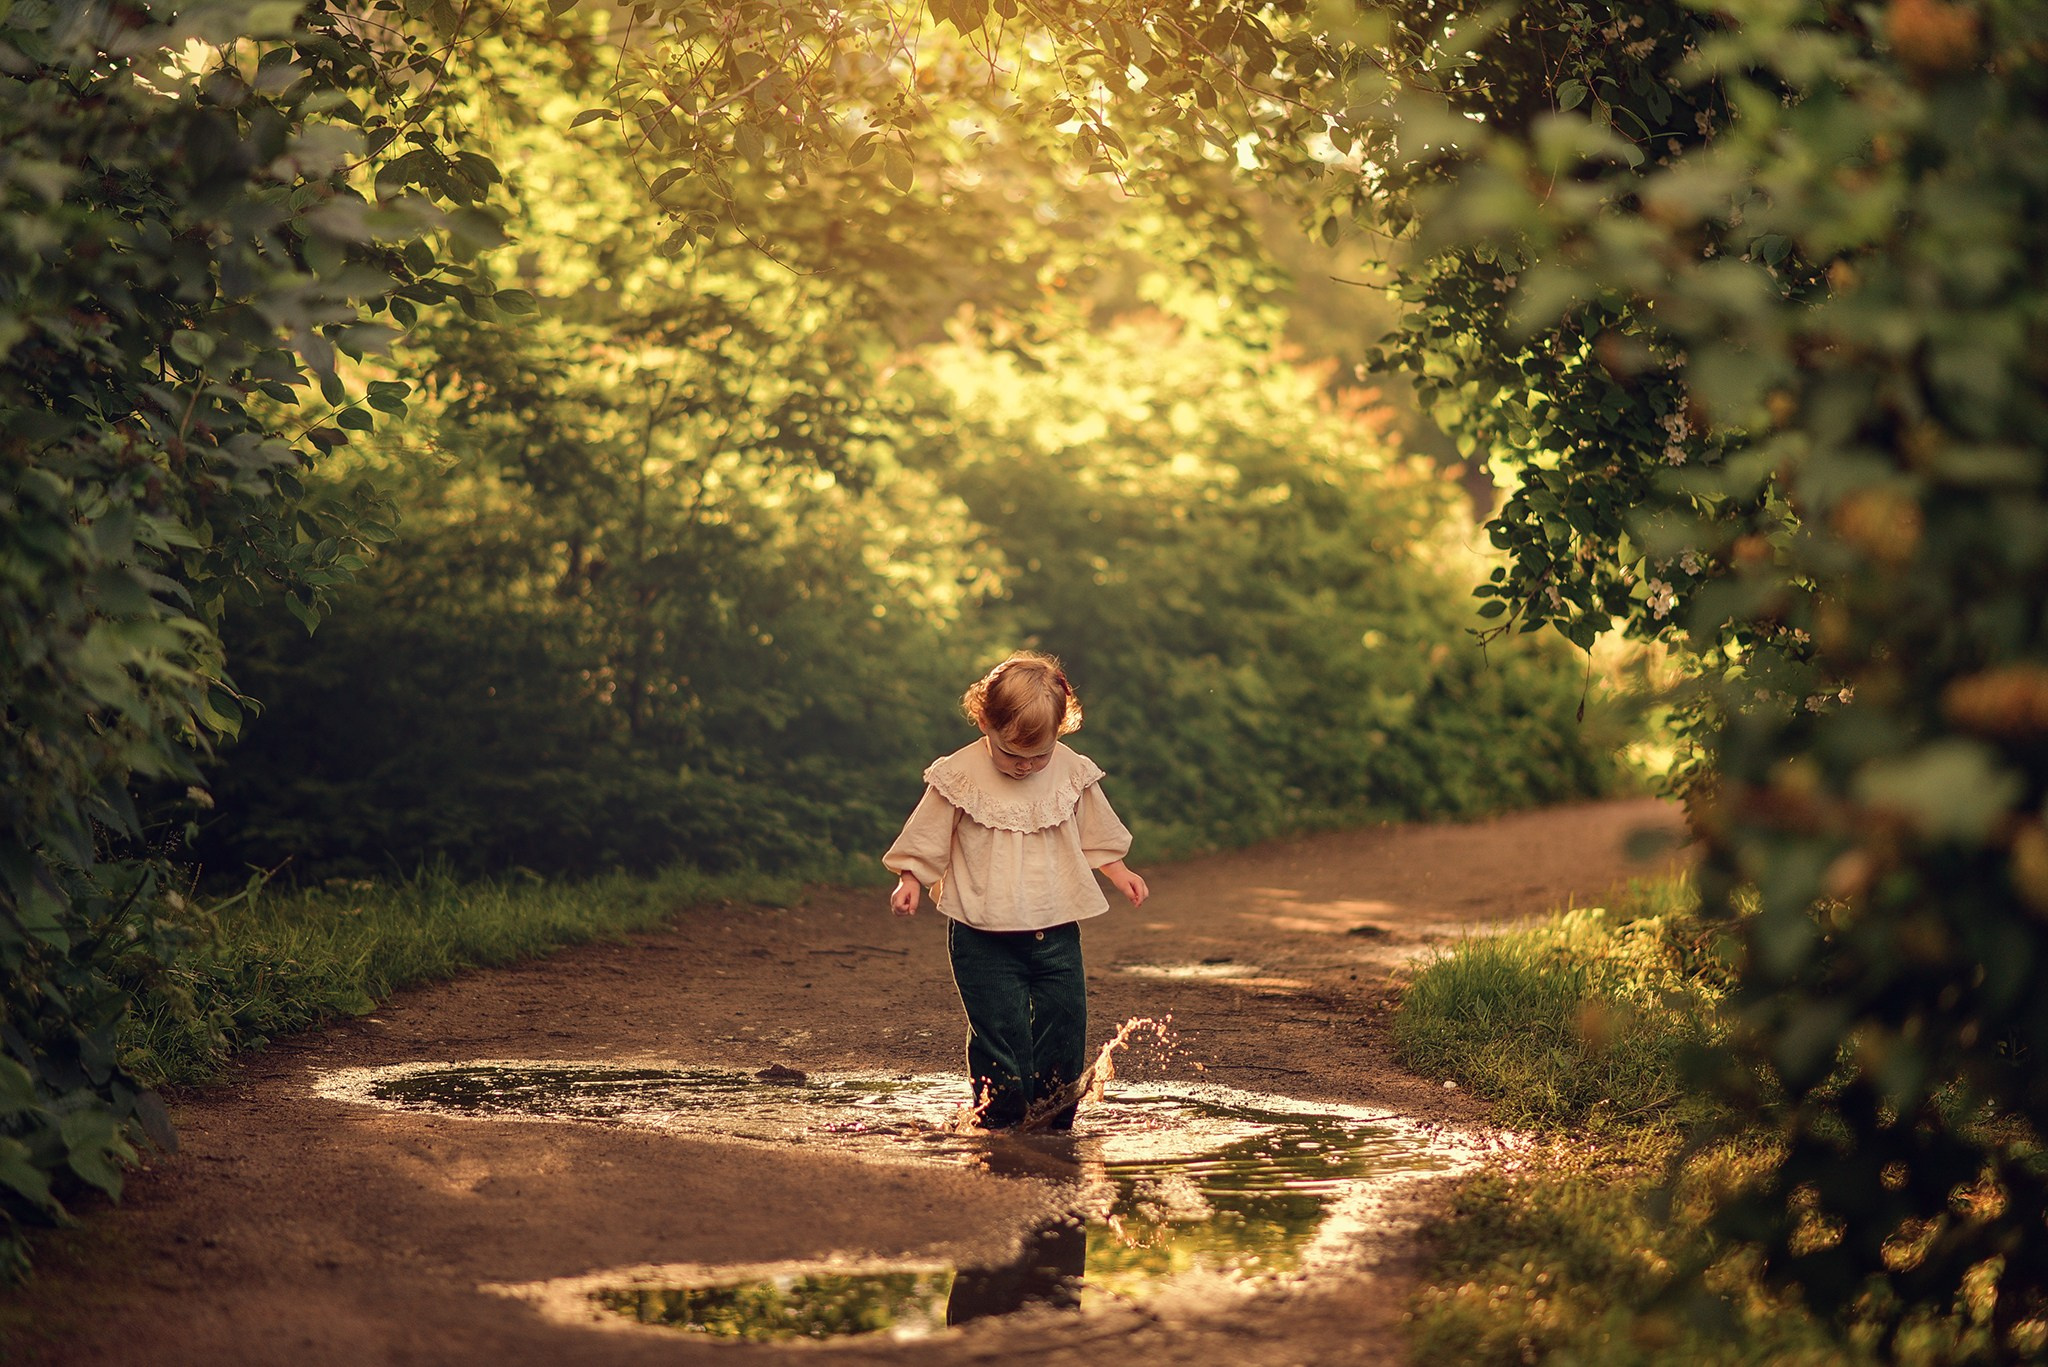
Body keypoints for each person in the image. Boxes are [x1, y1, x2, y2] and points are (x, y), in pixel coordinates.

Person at [883, 652, 1149, 1130]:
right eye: (1011, 753)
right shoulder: (958, 775)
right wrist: (910, 879)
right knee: (1000, 1034)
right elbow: (927, 835)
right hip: (982, 934)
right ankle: (999, 1122)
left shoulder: (1070, 770)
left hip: (1056, 931)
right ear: (985, 721)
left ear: (1061, 730)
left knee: (1064, 1025)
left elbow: (1096, 831)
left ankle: (1052, 1121)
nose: (1025, 766)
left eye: (1038, 755)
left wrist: (1118, 869)